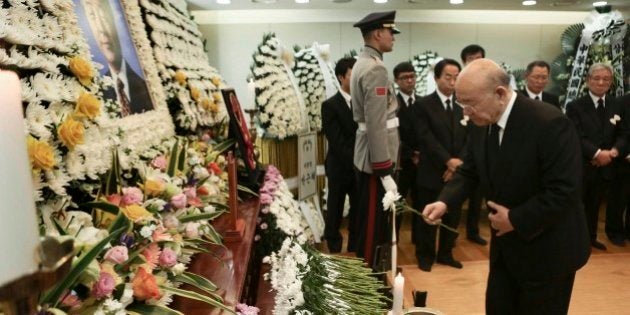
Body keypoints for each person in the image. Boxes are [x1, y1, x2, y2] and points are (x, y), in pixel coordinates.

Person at [423, 59, 590, 314]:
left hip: (547, 251)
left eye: (470, 103)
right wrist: (444, 201)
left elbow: (564, 189)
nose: (465, 112)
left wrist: (515, 218)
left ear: (500, 94)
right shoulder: (484, 121)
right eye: (461, 103)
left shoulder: (548, 123)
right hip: (506, 250)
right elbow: (470, 168)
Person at [351, 10, 400, 268]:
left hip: (367, 153)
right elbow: (376, 123)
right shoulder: (375, 69)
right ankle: (370, 279)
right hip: (375, 158)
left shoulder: (363, 62)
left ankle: (369, 273)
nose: (394, 38)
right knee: (372, 225)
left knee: (369, 221)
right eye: (391, 32)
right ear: (378, 33)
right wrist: (384, 169)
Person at [412, 58, 466, 271]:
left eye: (456, 77)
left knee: (452, 216)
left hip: (457, 173)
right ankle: (425, 255)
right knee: (428, 216)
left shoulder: (464, 105)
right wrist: (448, 161)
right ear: (436, 78)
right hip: (432, 170)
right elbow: (425, 137)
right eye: (448, 77)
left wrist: (457, 165)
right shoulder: (423, 105)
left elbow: (471, 138)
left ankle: (446, 253)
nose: (453, 82)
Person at [566, 63, 627, 250]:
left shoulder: (617, 104)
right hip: (584, 164)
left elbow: (624, 133)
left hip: (608, 165)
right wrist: (597, 153)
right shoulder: (575, 106)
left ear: (611, 83)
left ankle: (591, 238)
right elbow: (576, 135)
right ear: (587, 80)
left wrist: (613, 152)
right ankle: (574, 241)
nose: (601, 82)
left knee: (595, 204)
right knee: (578, 205)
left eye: (606, 79)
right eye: (596, 78)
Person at [82, 0, 153, 116]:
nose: (101, 30)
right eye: (92, 16)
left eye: (104, 16)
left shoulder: (147, 88)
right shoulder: (95, 96)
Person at [322, 57, 358, 253]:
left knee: (358, 207)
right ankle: (334, 244)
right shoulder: (330, 105)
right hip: (339, 165)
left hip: (360, 167)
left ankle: (355, 243)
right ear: (341, 77)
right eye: (353, 75)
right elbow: (336, 140)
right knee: (335, 206)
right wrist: (354, 160)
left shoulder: (363, 103)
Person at [460, 44, 487, 245]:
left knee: (477, 197)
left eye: (478, 58)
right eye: (470, 58)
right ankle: (450, 236)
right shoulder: (459, 85)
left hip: (481, 149)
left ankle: (473, 230)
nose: (474, 62)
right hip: (458, 150)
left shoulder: (488, 86)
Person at [393, 61, 420, 239]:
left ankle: (418, 238)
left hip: (423, 162)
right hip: (401, 161)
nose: (409, 81)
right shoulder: (392, 104)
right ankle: (393, 238)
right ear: (396, 81)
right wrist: (411, 154)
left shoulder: (424, 102)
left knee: (420, 202)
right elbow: (393, 135)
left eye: (412, 76)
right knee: (398, 204)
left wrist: (421, 153)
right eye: (404, 78)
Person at [606, 92, 630, 246]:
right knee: (618, 198)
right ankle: (615, 232)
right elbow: (617, 131)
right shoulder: (621, 101)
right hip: (623, 158)